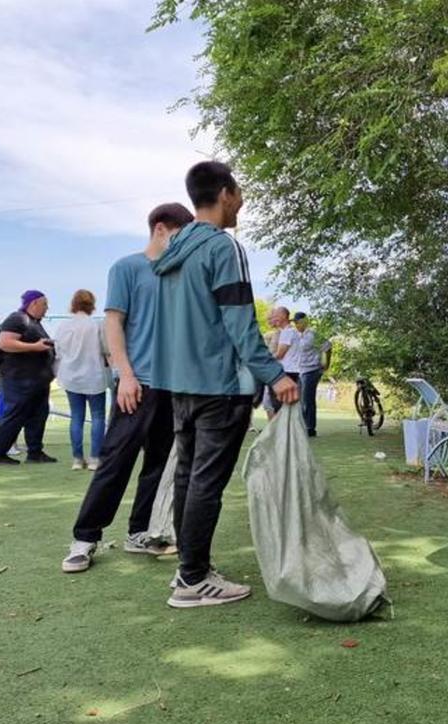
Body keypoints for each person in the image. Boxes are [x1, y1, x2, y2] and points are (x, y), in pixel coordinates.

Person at [151, 161, 299, 608]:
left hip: (180, 384)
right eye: (240, 191)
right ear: (225, 192)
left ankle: (188, 571)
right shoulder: (222, 247)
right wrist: (277, 375)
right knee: (205, 483)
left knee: (187, 475)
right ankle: (194, 578)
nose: (243, 201)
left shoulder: (172, 251)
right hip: (219, 384)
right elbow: (239, 325)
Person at [62, 204, 195, 573]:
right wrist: (126, 375)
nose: (184, 245)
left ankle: (142, 531)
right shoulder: (127, 267)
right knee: (116, 462)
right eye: (180, 236)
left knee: (158, 463)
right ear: (161, 229)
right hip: (137, 384)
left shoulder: (182, 274)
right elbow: (114, 325)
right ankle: (85, 537)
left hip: (176, 387)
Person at [0, 291, 57, 466]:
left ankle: (35, 452)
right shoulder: (18, 319)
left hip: (36, 380)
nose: (47, 308)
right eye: (44, 304)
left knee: (38, 416)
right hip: (18, 379)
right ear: (33, 304)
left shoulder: (34, 323)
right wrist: (35, 347)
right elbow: (4, 342)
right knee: (14, 415)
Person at [53, 290, 109, 470]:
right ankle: (94, 458)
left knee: (76, 417)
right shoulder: (97, 326)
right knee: (98, 416)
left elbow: (58, 351)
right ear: (91, 305)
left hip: (71, 376)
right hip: (94, 376)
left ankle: (77, 459)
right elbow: (106, 349)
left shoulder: (63, 326)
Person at [291, 311, 331, 437]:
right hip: (299, 370)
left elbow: (328, 346)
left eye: (298, 322)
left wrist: (327, 363)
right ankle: (301, 426)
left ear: (304, 321)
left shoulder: (313, 335)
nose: (296, 324)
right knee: (299, 399)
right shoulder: (295, 335)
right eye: (295, 322)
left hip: (312, 370)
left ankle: (310, 428)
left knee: (307, 399)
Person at [262, 305, 296, 420]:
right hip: (288, 371)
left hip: (285, 372)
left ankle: (280, 432)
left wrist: (265, 361)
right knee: (278, 404)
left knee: (279, 405)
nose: (273, 318)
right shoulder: (287, 332)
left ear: (283, 316)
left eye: (276, 316)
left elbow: (280, 354)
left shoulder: (287, 332)